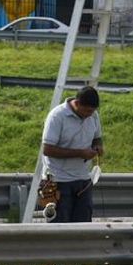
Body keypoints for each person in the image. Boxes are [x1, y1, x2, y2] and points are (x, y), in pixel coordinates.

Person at [40, 85, 104, 227]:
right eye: (86, 111)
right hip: (58, 181)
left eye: (92, 111)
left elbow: (97, 137)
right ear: (77, 103)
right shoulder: (57, 116)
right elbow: (47, 150)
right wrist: (81, 153)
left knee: (84, 227)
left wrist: (98, 146)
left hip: (83, 180)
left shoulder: (93, 115)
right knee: (60, 227)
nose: (89, 115)